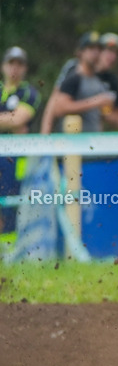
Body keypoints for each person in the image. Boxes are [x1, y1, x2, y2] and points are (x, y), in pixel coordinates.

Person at [0, 47, 42, 247]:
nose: (14, 69)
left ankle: (9, 251)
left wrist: (13, 121)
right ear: (3, 66)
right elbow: (13, 122)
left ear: (25, 68)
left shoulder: (29, 92)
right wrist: (10, 121)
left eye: (19, 64)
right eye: (11, 63)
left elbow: (19, 120)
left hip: (16, 161)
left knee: (11, 203)